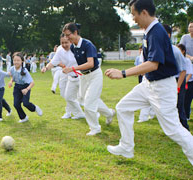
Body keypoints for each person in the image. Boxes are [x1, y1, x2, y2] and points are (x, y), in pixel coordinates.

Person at [105, 0, 193, 165]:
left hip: (162, 87)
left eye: (134, 14)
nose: (133, 19)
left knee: (173, 130)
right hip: (148, 84)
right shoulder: (150, 31)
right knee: (123, 107)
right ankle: (126, 147)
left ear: (144, 12)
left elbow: (153, 64)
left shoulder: (157, 32)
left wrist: (122, 73)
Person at [62, 22, 115, 136]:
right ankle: (109, 113)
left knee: (89, 104)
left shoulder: (88, 45)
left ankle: (95, 128)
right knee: (84, 100)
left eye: (68, 35)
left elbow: (90, 64)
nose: (67, 38)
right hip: (84, 76)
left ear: (75, 32)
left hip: (94, 75)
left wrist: (72, 69)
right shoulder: (73, 47)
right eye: (65, 36)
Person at [42, 34, 85, 119]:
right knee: (67, 96)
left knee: (86, 98)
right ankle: (72, 113)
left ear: (70, 41)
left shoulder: (76, 49)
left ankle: (106, 112)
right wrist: (46, 68)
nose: (64, 45)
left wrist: (71, 69)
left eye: (66, 42)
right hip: (69, 76)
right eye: (62, 43)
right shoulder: (60, 50)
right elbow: (53, 62)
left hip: (81, 76)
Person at [8, 52, 43, 123]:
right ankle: (23, 117)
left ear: (22, 61)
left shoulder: (24, 71)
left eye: (18, 60)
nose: (16, 62)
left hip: (26, 87)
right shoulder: (12, 69)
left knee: (25, 103)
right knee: (16, 104)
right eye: (14, 60)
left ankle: (35, 108)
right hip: (17, 87)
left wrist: (27, 89)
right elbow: (12, 77)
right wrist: (11, 81)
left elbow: (32, 83)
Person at [178, 43, 193, 121]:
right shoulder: (177, 60)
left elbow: (190, 73)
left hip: (189, 82)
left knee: (187, 101)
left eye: (179, 50)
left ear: (183, 51)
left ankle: (186, 117)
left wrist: (184, 83)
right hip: (181, 82)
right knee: (180, 101)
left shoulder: (186, 60)